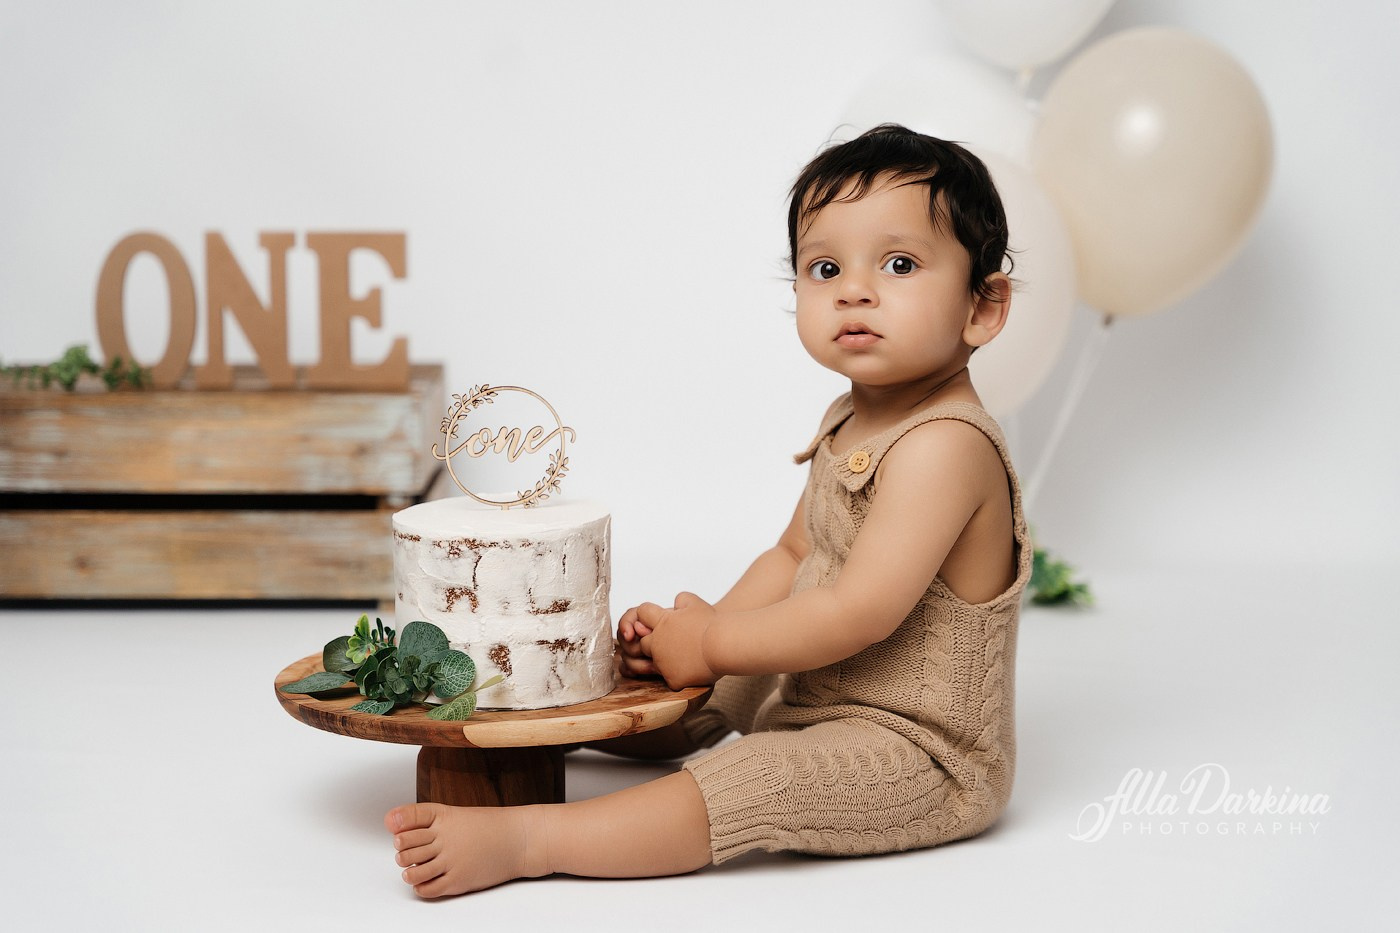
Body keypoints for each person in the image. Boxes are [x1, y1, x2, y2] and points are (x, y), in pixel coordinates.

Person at [384, 123, 1033, 897]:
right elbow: (796, 556)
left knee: (760, 773)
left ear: (982, 307)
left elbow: (859, 611)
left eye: (899, 264)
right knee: (726, 679)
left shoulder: (947, 446)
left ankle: (532, 838)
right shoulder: (851, 419)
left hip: (916, 751)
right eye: (825, 267)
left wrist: (714, 642)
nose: (854, 290)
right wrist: (698, 642)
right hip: (817, 695)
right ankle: (656, 720)